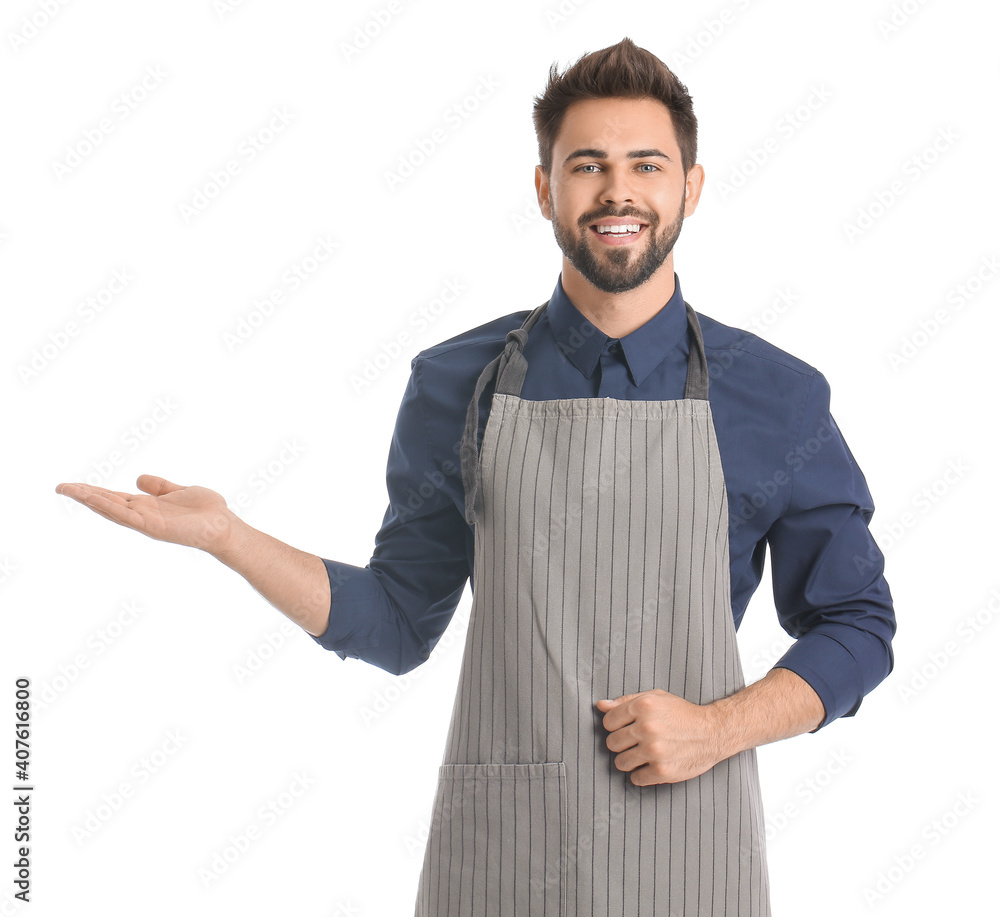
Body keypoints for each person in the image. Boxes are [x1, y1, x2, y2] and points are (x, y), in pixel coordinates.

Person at [57, 37, 895, 917]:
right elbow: (395, 620)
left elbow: (858, 624)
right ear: (545, 190)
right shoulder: (458, 382)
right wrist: (229, 537)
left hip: (690, 849)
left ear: (689, 186)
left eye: (646, 164)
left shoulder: (776, 395)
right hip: (504, 854)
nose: (618, 191)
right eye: (587, 165)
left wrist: (716, 729)